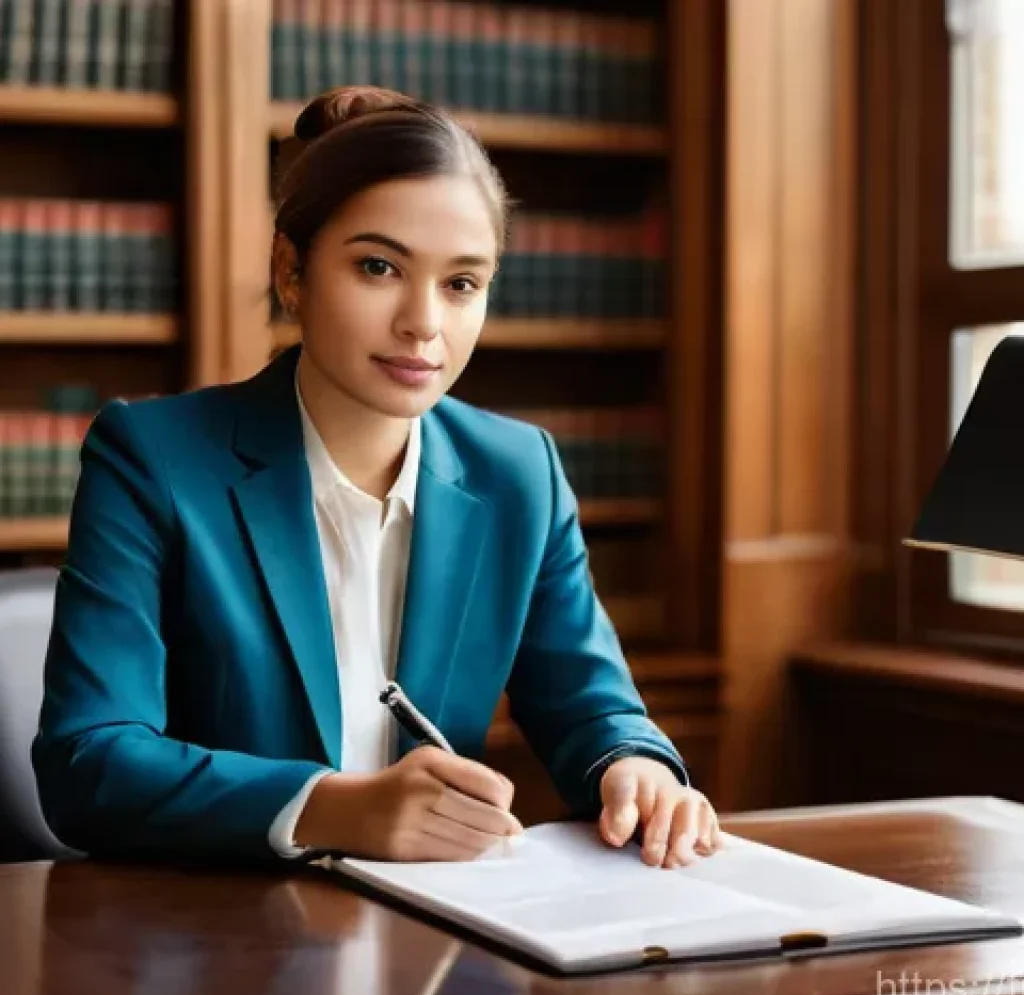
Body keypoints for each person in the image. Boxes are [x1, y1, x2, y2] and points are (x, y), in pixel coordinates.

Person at [33, 86, 722, 870]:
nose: (423, 322)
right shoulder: (152, 458)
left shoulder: (519, 472)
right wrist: (334, 808)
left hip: (430, 943)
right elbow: (87, 763)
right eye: (379, 267)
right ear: (291, 271)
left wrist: (636, 769)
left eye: (462, 283)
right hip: (211, 934)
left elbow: (592, 706)